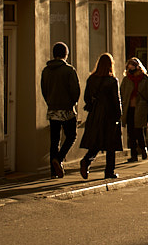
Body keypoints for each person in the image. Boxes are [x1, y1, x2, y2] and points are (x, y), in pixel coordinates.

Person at [79, 53, 122, 180]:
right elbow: (116, 100)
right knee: (110, 145)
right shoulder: (112, 81)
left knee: (96, 142)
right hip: (109, 115)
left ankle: (86, 160)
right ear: (110, 65)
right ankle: (109, 171)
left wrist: (93, 106)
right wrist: (119, 115)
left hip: (95, 115)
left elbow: (86, 97)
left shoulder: (91, 79)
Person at [40, 42, 80, 178]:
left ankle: (53, 171)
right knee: (71, 136)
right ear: (65, 54)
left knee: (54, 140)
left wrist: (50, 102)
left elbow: (44, 90)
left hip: (52, 109)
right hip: (67, 109)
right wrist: (72, 103)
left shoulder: (46, 71)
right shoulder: (69, 70)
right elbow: (75, 90)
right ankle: (59, 158)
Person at [120, 57, 148, 162]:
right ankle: (134, 155)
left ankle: (143, 149)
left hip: (141, 109)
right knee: (131, 133)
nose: (130, 69)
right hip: (129, 109)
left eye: (132, 66)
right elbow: (121, 94)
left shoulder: (145, 78)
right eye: (129, 67)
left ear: (137, 67)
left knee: (139, 131)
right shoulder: (126, 79)